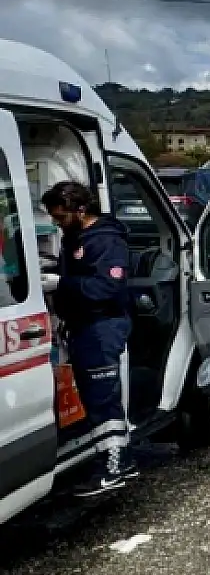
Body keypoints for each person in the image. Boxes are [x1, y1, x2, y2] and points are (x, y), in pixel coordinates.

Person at [43, 181, 136, 497]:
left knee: (102, 402)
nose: (58, 223)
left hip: (101, 328)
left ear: (80, 210)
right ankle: (121, 461)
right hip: (86, 328)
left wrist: (62, 284)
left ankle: (113, 467)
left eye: (61, 217)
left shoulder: (106, 241)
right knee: (97, 398)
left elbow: (107, 288)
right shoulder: (77, 237)